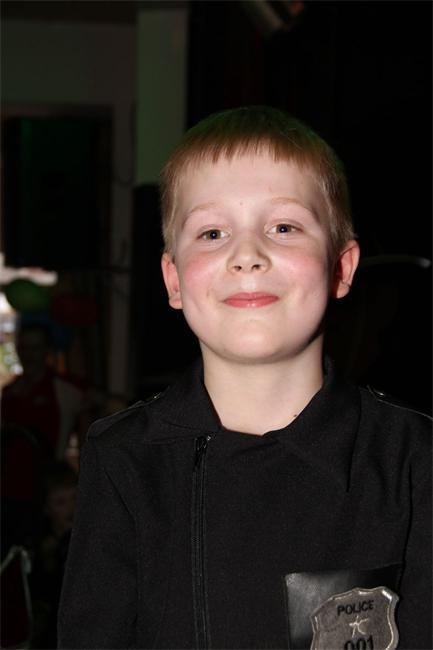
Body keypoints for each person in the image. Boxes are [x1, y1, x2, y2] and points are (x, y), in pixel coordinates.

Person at [58, 106, 431, 649]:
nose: (247, 255)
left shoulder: (412, 458)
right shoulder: (123, 458)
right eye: (212, 232)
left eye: (283, 227)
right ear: (174, 279)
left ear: (341, 267)